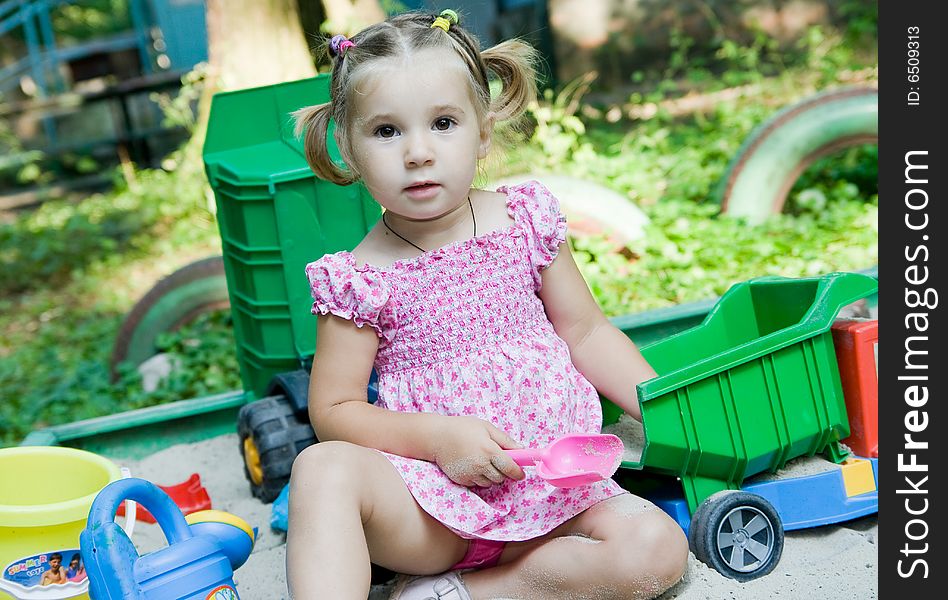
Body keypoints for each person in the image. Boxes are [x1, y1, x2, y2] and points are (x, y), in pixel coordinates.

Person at [287, 10, 688, 600]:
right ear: (347, 146)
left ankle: (476, 592)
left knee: (656, 549)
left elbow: (586, 333)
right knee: (319, 471)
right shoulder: (359, 278)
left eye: (443, 122)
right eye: (387, 131)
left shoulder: (524, 220)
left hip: (558, 489)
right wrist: (438, 439)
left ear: (482, 129)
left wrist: (669, 409)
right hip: (431, 508)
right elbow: (336, 410)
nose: (418, 152)